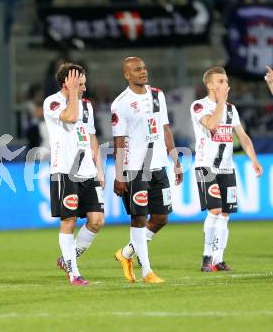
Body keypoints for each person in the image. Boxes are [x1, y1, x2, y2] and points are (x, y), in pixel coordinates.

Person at [111, 57, 182, 284]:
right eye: (136, 69)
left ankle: (126, 253)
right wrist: (120, 174)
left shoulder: (157, 95)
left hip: (158, 164)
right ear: (126, 75)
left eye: (144, 67)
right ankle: (147, 272)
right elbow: (119, 142)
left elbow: (164, 128)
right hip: (135, 168)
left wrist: (175, 160)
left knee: (161, 218)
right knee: (139, 218)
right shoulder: (120, 103)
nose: (143, 71)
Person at [190, 67, 263, 272]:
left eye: (226, 81)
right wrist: (220, 101)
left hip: (226, 168)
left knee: (225, 214)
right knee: (214, 210)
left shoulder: (231, 109)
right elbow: (212, 124)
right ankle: (206, 257)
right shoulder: (199, 106)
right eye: (221, 81)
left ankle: (218, 259)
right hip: (206, 167)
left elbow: (243, 136)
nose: (225, 84)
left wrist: (254, 159)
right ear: (210, 85)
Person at [43, 64, 105, 286]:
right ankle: (74, 273)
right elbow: (69, 117)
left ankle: (67, 260)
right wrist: (71, 93)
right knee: (68, 221)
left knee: (97, 221)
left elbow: (91, 138)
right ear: (67, 84)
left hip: (87, 172)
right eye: (81, 84)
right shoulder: (52, 102)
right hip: (64, 171)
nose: (85, 88)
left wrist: (99, 169)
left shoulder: (86, 106)